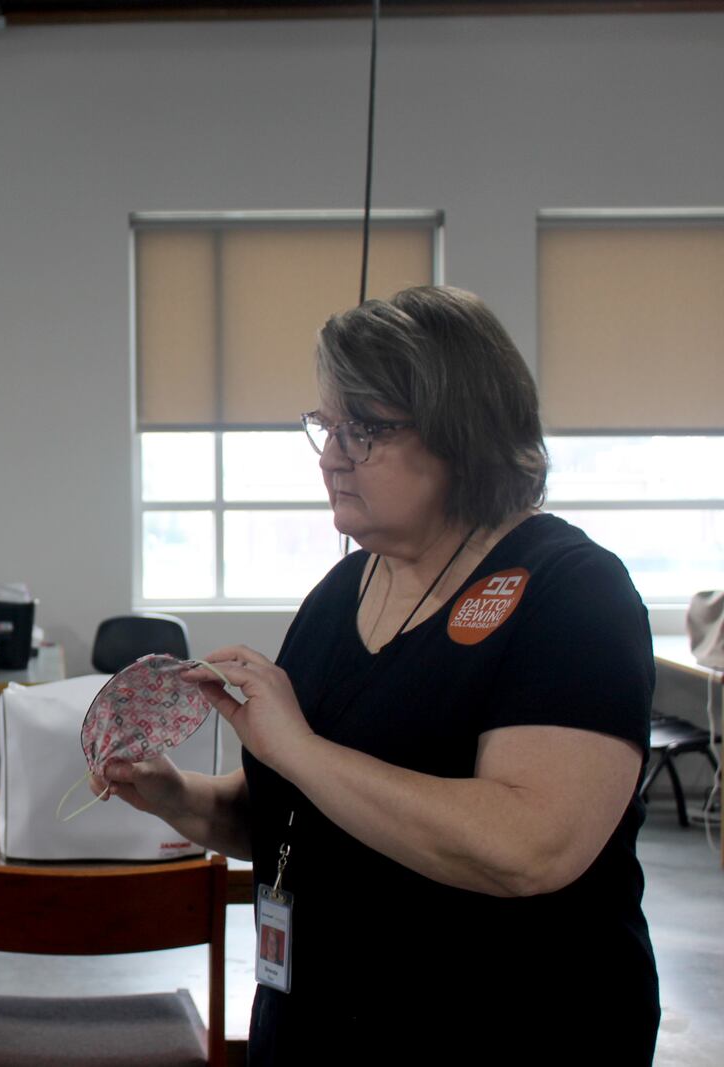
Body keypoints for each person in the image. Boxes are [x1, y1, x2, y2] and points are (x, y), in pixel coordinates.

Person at [94, 286, 659, 1064]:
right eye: (328, 425)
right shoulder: (341, 593)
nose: (331, 456)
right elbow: (292, 810)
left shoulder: (571, 591)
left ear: (465, 433)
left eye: (365, 429)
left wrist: (296, 747)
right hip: (316, 1027)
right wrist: (182, 798)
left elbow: (530, 844)